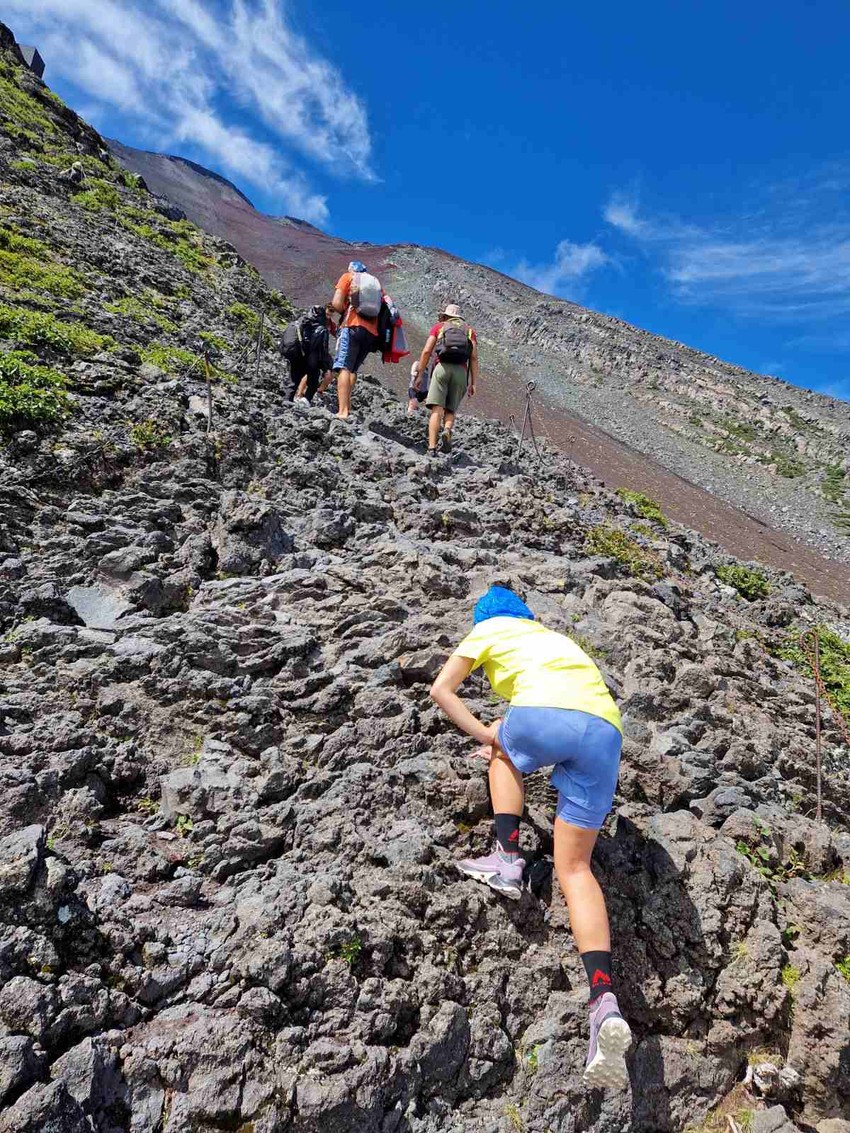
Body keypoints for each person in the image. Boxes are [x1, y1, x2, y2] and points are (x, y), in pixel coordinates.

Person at [429, 585, 632, 1089]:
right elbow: (573, 705)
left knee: (503, 748)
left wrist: (490, 737)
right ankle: (603, 1001)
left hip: (541, 714)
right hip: (605, 732)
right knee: (576, 869)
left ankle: (506, 857)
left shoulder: (488, 627)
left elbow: (442, 690)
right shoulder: (553, 638)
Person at [416, 303, 478, 455]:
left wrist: (420, 374)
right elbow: (474, 358)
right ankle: (447, 430)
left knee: (436, 409)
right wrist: (473, 383)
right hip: (461, 372)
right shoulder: (469, 331)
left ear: (445, 316)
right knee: (450, 409)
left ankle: (431, 448)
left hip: (442, 367)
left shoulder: (439, 327)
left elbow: (426, 351)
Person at [330, 261, 383, 420]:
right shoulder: (375, 284)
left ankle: (343, 411)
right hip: (371, 333)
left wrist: (344, 308)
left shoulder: (348, 277)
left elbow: (336, 303)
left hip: (351, 326)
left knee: (344, 368)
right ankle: (348, 406)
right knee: (353, 370)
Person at [281, 304, 336, 405]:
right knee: (313, 382)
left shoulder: (302, 321)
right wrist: (326, 367)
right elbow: (323, 349)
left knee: (294, 377)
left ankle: (287, 399)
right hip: (312, 360)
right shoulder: (322, 329)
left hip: (298, 355)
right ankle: (305, 401)